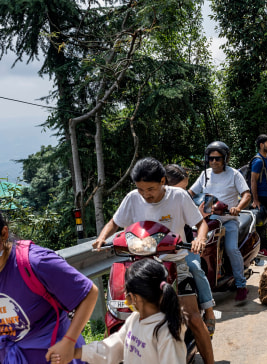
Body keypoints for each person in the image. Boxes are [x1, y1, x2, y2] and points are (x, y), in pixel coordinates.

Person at [92, 158, 214, 364]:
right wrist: (103, 237)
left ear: (163, 181)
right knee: (118, 313)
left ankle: (210, 361)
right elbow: (115, 222)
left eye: (150, 189)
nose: (146, 195)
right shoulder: (132, 198)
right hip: (139, 265)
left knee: (191, 316)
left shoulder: (179, 196)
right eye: (141, 190)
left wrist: (200, 239)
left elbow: (200, 223)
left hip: (175, 261)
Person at [0, 202, 99, 364]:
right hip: (6, 357)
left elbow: (89, 292)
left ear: (3, 234)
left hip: (53, 357)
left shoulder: (36, 262)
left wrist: (68, 341)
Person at [77, 259, 185, 364]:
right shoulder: (134, 319)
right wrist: (76, 353)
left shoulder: (165, 331)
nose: (125, 297)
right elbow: (114, 346)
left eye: (126, 292)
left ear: (134, 297)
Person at [189, 141, 252, 302]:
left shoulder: (234, 174)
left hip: (228, 220)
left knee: (231, 249)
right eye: (211, 159)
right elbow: (191, 192)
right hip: (207, 220)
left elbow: (246, 194)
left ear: (225, 159)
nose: (214, 162)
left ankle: (240, 285)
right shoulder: (205, 174)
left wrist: (237, 208)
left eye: (218, 158)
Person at [251, 134, 267, 257]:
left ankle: (266, 247)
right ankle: (261, 249)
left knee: (266, 223)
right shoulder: (258, 160)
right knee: (261, 224)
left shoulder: (266, 159)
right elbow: (253, 180)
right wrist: (255, 200)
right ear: (261, 145)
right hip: (260, 197)